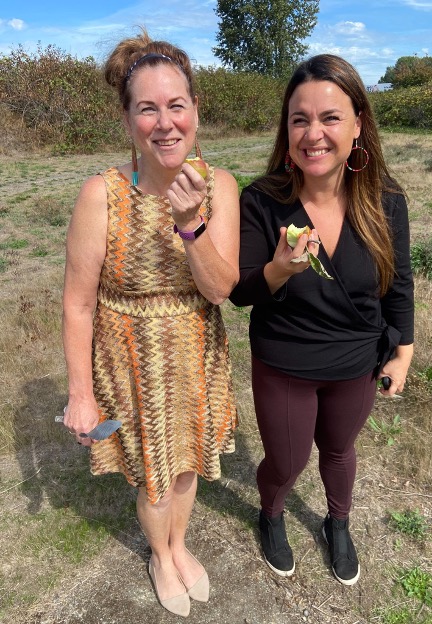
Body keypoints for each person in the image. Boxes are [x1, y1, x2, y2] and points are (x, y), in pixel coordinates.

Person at [62, 29, 239, 617]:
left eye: (176, 105)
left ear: (195, 112)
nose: (165, 123)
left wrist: (190, 226)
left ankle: (179, 545)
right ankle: (160, 557)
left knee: (186, 462)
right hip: (128, 358)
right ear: (127, 120)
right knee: (149, 472)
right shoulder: (101, 195)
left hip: (195, 351)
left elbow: (219, 289)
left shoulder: (220, 187)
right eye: (147, 108)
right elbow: (78, 304)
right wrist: (81, 396)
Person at [229, 54, 414, 586]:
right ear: (286, 129)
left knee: (339, 449)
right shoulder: (262, 202)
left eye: (330, 117)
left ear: (358, 124)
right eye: (299, 119)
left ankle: (338, 523)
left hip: (356, 361)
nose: (314, 133)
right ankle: (271, 513)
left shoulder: (386, 201)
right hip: (285, 361)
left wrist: (403, 352)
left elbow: (398, 283)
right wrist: (278, 271)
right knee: (285, 463)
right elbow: (242, 292)